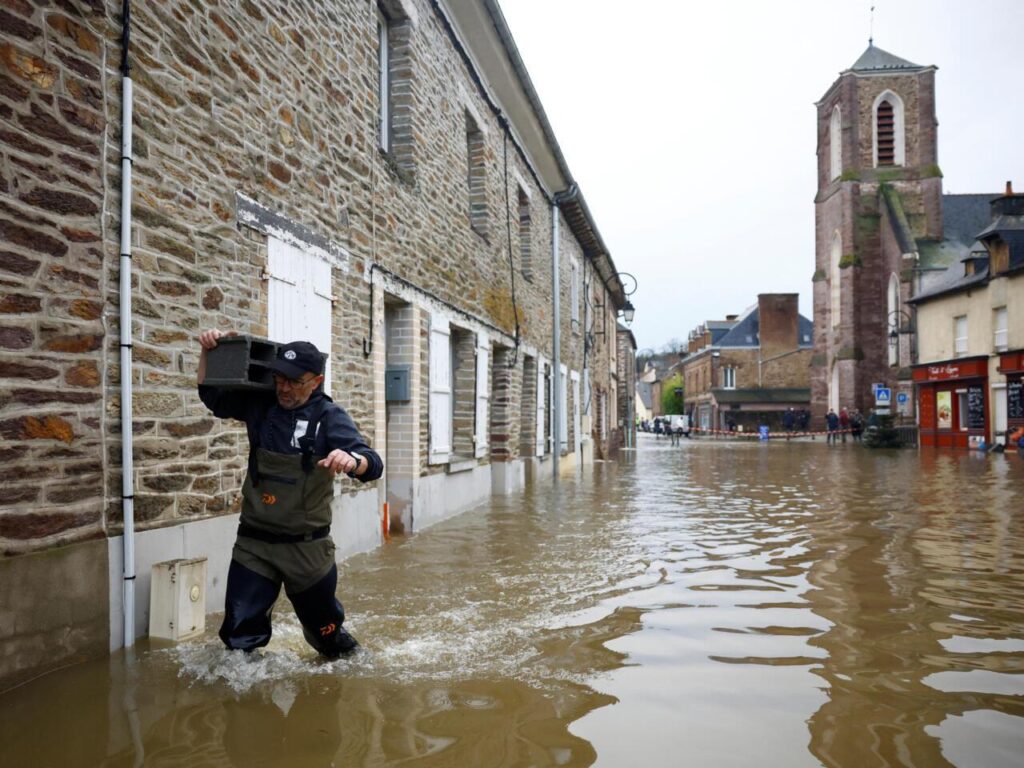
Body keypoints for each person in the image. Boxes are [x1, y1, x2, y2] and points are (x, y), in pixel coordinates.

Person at [197, 330, 383, 657]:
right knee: (239, 641)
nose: (284, 388)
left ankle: (352, 664)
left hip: (307, 550)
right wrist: (209, 352)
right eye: (280, 378)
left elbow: (374, 465)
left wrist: (352, 461)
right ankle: (242, 701)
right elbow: (211, 396)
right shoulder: (260, 404)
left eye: (295, 382)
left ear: (317, 381)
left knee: (327, 639)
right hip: (254, 545)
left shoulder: (330, 417)